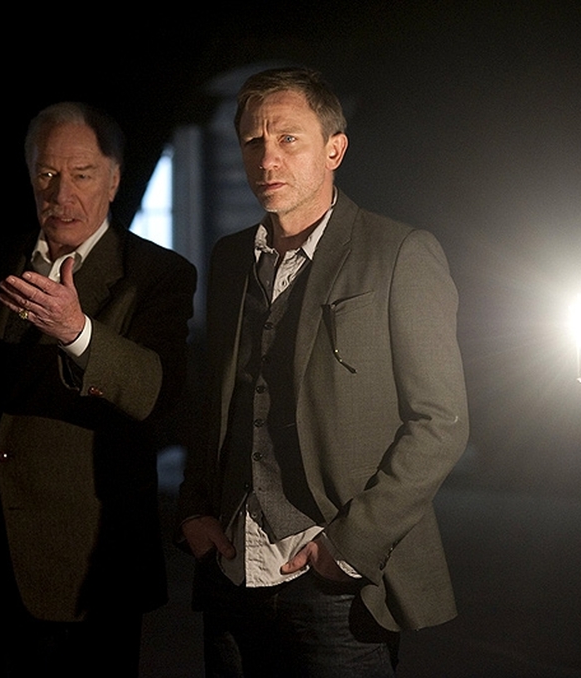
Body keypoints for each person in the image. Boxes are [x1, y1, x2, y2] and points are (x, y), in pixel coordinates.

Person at [177, 67, 469, 677]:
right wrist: (194, 507)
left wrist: (351, 545)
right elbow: (214, 401)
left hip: (338, 583)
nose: (267, 159)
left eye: (288, 139)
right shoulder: (230, 258)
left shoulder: (399, 252)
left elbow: (440, 422)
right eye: (253, 142)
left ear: (334, 149)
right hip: (232, 569)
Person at [0, 102, 196, 676]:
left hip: (88, 572)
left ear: (114, 179)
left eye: (82, 174)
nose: (62, 193)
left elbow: (155, 393)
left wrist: (77, 332)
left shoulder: (156, 275)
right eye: (47, 173)